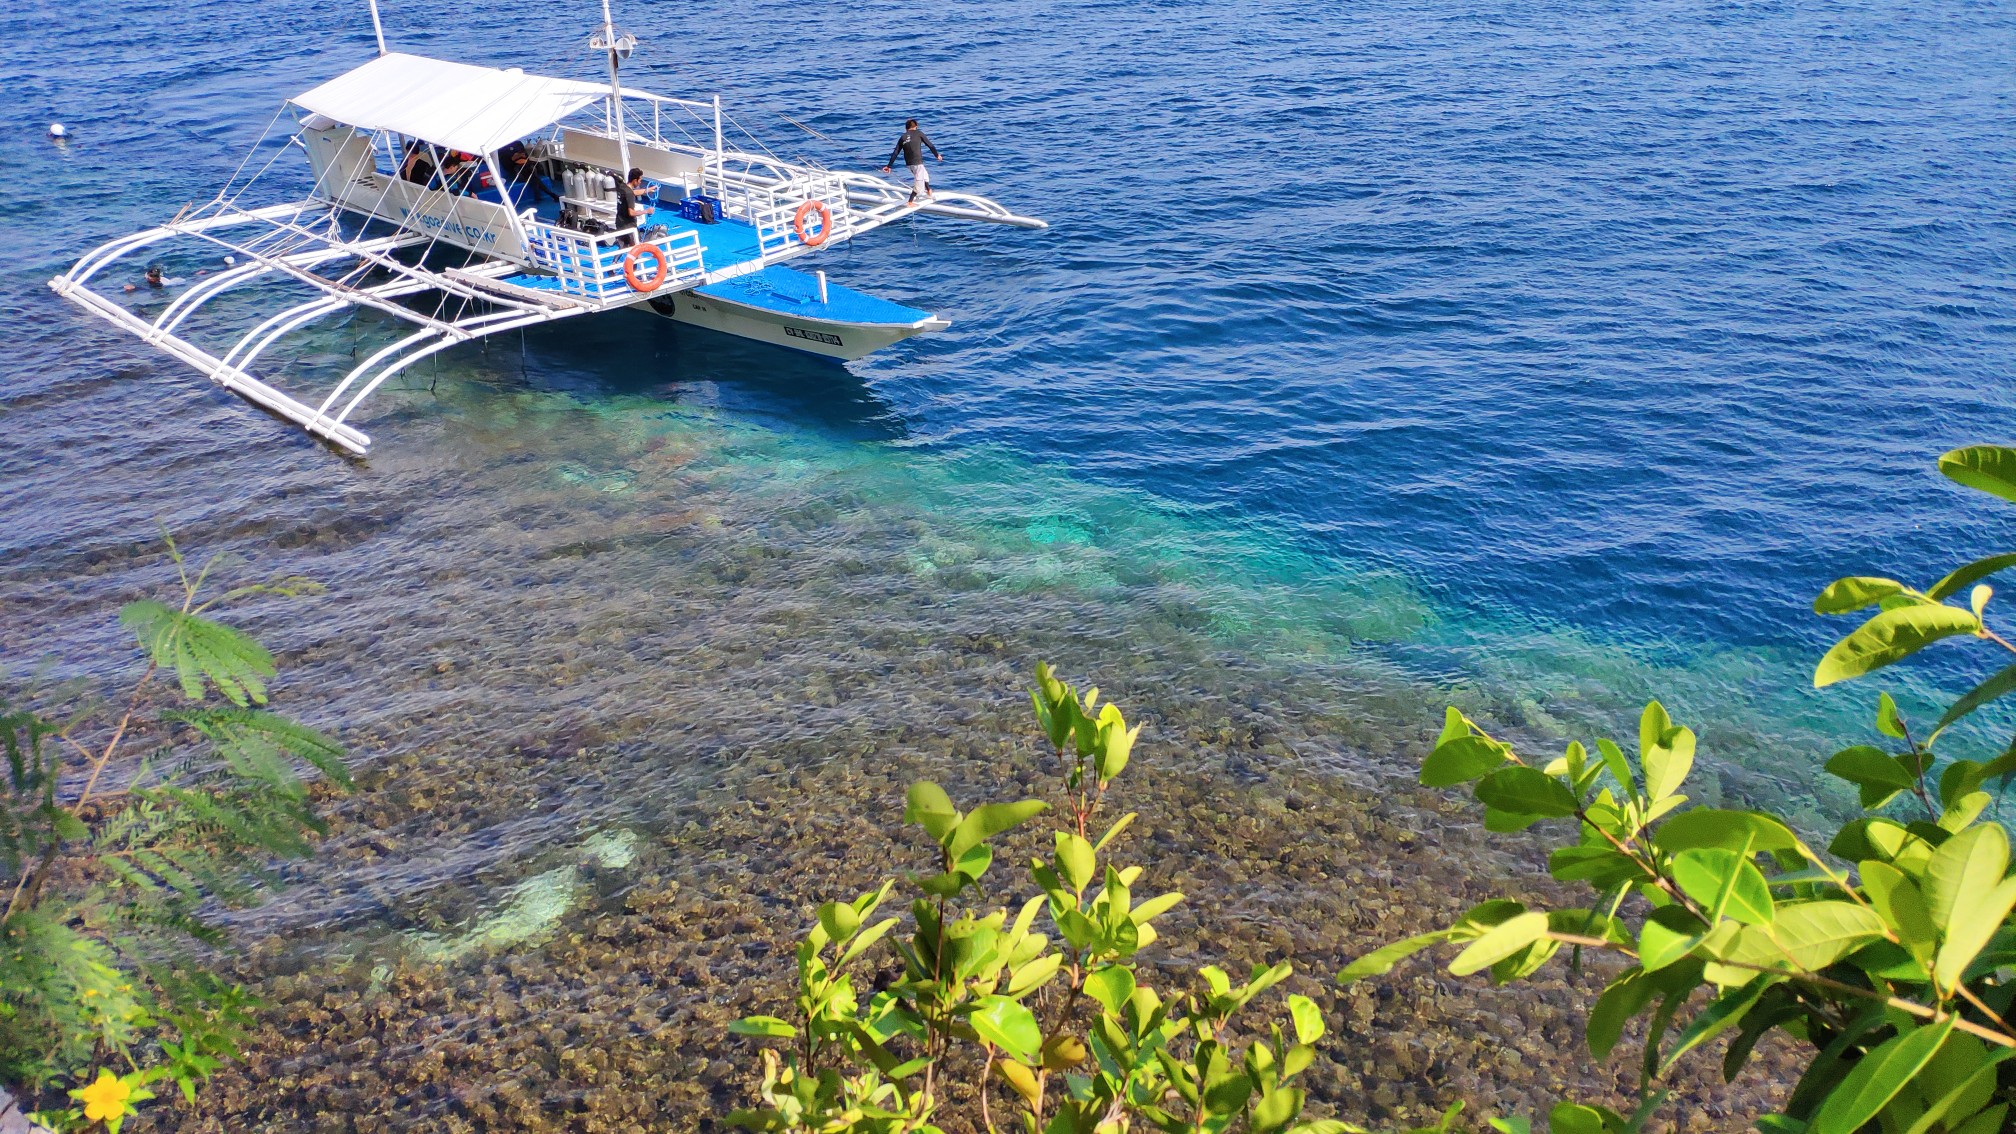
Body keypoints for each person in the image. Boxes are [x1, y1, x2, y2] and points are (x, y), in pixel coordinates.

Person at [881, 118, 942, 204]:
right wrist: (937, 155)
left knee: (925, 176)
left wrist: (889, 166)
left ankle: (929, 190)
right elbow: (930, 145)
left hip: (909, 164)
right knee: (919, 185)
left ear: (906, 128)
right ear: (916, 127)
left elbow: (896, 152)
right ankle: (910, 202)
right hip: (917, 163)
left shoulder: (903, 137)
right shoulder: (919, 133)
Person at [612, 167, 651, 245]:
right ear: (635, 180)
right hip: (629, 227)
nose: (640, 182)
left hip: (619, 223)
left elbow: (633, 192)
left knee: (623, 247)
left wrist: (647, 190)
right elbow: (631, 213)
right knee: (636, 249)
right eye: (640, 180)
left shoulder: (623, 187)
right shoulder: (629, 193)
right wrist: (646, 211)